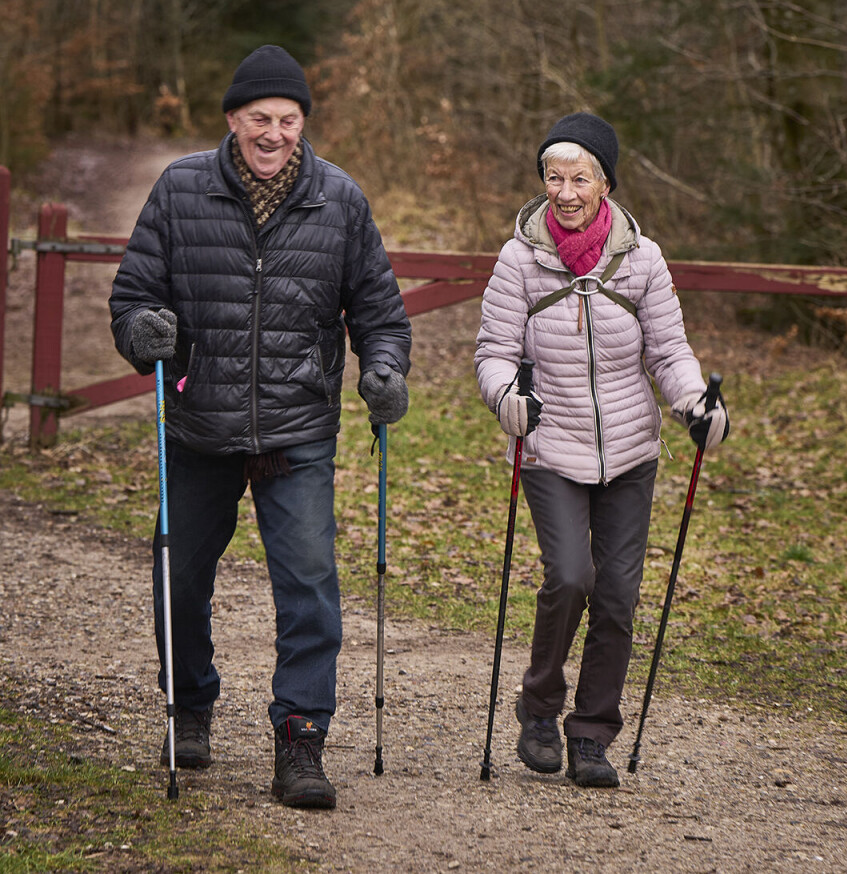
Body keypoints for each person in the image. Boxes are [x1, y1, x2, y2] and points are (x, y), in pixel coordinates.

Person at [110, 45, 412, 809]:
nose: (273, 133)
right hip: (199, 423)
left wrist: (384, 369)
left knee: (309, 585)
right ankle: (190, 703)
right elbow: (133, 297)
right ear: (231, 120)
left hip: (296, 426)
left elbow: (380, 313)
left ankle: (301, 738)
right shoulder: (181, 189)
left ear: (303, 123)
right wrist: (144, 330)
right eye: (258, 119)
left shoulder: (339, 199)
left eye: (287, 120)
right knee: (179, 579)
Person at [475, 112, 728, 788]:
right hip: (550, 446)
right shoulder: (518, 259)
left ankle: (591, 733)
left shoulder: (643, 259)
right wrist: (508, 397)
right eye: (553, 178)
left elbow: (669, 352)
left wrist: (695, 405)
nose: (564, 192)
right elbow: (493, 353)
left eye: (579, 179)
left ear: (605, 184)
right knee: (570, 578)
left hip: (630, 451)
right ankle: (538, 707)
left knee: (616, 596)